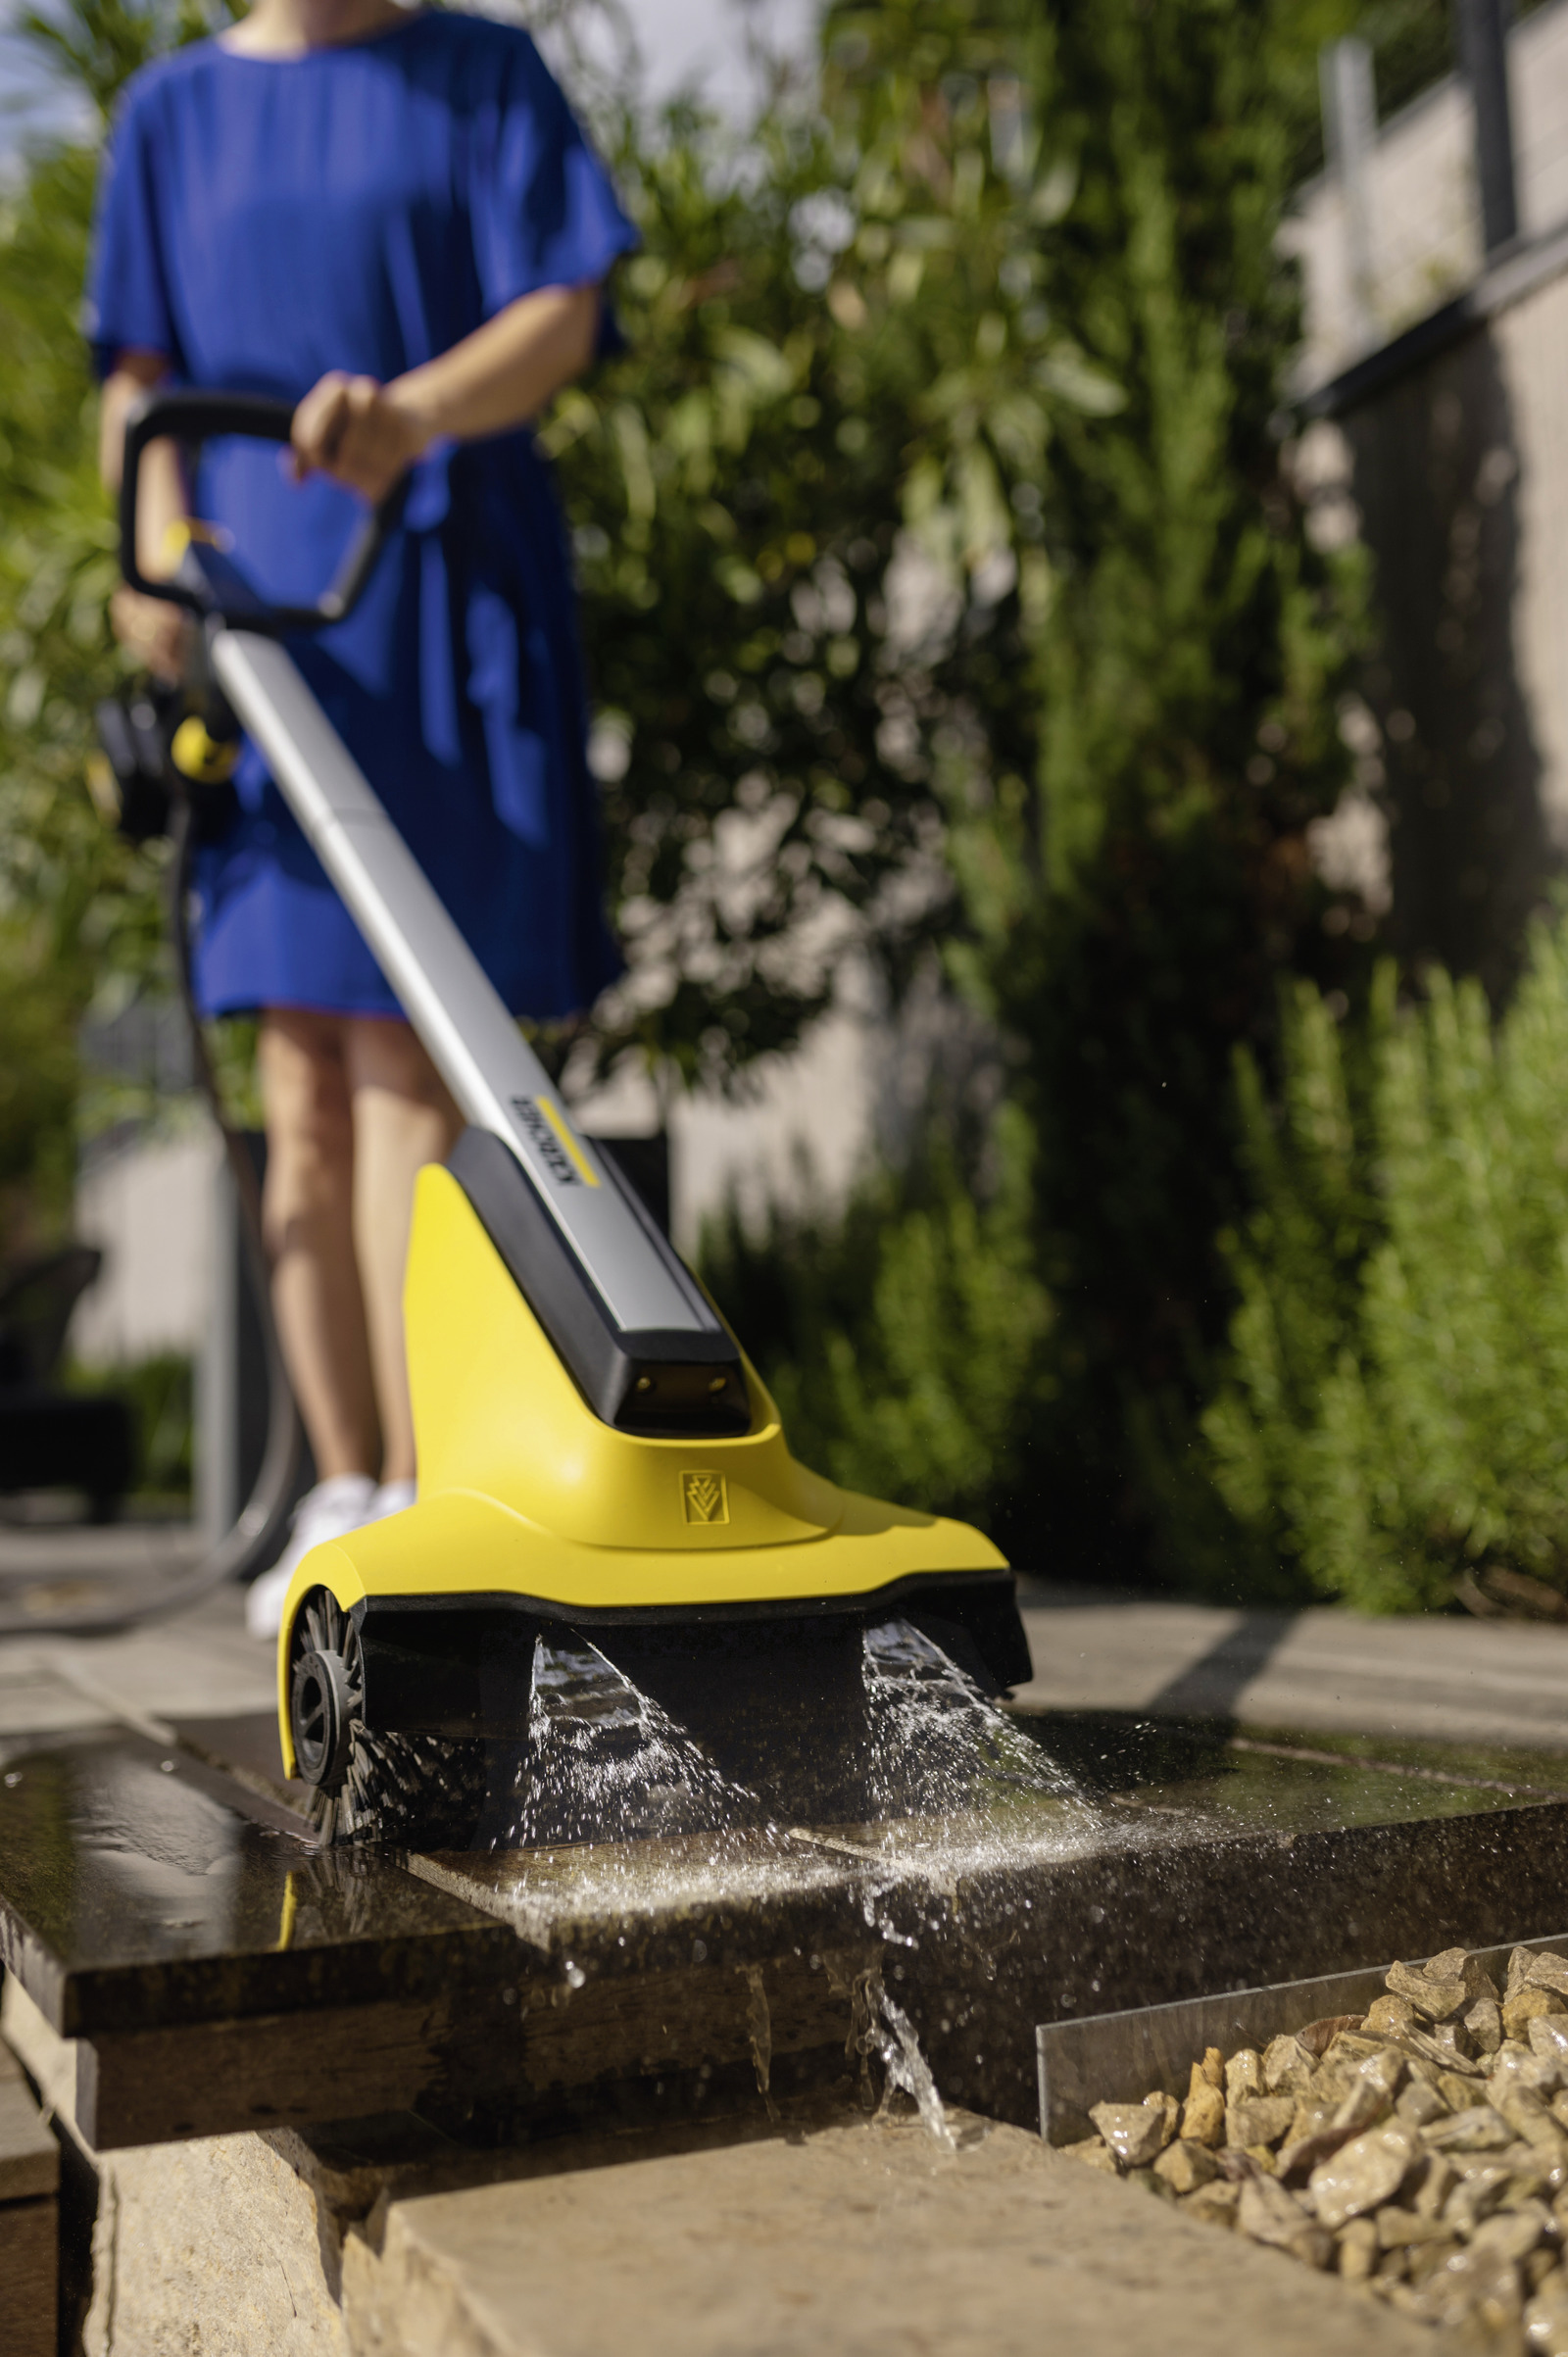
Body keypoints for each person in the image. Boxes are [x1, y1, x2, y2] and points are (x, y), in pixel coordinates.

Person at [88, 0, 635, 1636]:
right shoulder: (167, 114)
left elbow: (565, 314)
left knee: (405, 1051)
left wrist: (409, 411)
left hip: (432, 594)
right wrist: (157, 553)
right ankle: (342, 1484)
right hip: (262, 630)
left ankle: (420, 1489)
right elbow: (136, 379)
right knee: (301, 1084)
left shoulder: (482, 73)